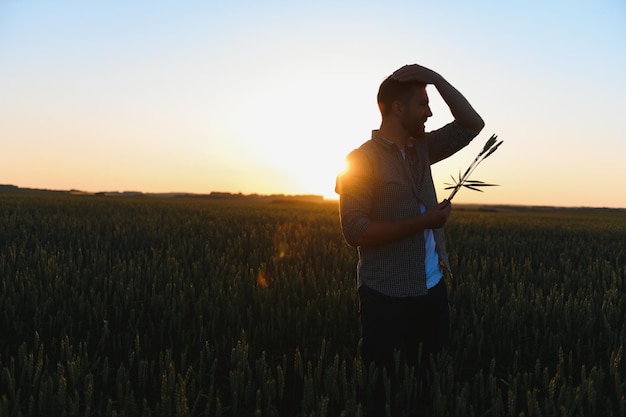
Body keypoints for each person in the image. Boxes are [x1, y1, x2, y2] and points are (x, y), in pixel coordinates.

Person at [335, 64, 484, 416]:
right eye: (423, 103)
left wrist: (437, 78)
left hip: (432, 289)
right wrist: (424, 221)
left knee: (428, 389)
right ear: (397, 109)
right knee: (382, 393)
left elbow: (471, 125)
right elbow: (355, 231)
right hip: (386, 296)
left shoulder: (422, 150)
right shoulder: (360, 161)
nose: (430, 111)